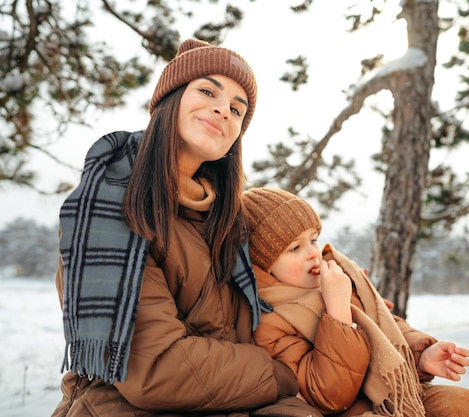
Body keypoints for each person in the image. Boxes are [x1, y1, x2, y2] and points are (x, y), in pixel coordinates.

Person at [52, 39, 323, 417]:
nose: (222, 109)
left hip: (228, 397)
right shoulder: (111, 206)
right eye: (208, 90)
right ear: (170, 99)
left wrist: (366, 312)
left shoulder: (228, 220)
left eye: (237, 109)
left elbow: (292, 275)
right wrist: (281, 375)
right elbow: (156, 368)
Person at [242, 187, 469, 417]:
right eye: (295, 248)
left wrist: (421, 354)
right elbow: (329, 395)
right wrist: (338, 311)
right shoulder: (269, 317)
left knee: (463, 404)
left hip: (393, 393)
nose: (313, 253)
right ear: (265, 265)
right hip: (349, 409)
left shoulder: (339, 275)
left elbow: (383, 322)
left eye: (314, 239)